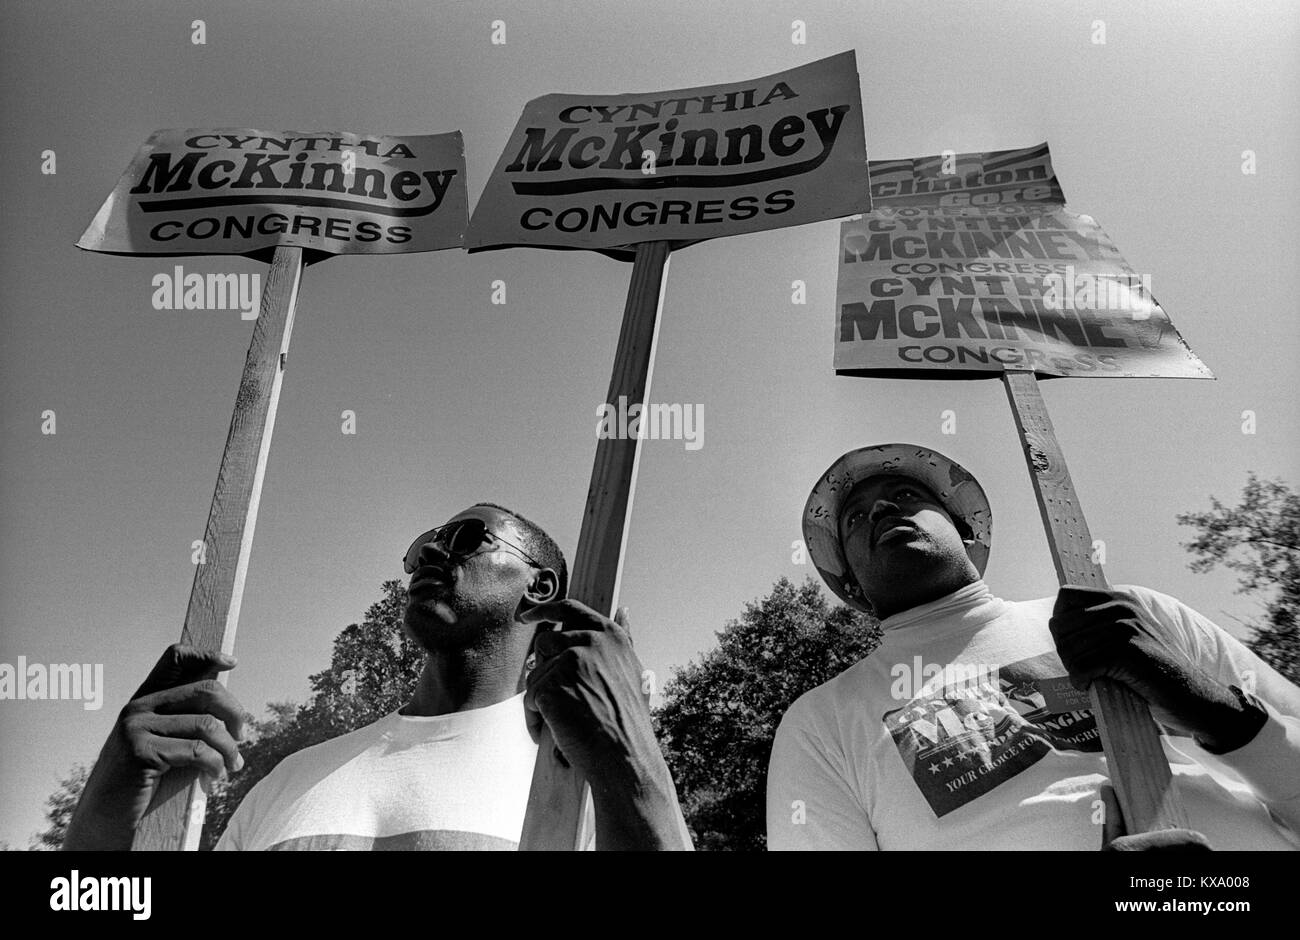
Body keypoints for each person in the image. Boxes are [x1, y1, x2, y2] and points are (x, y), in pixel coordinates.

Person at [65, 502, 691, 851]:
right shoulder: (291, 780)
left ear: (541, 588)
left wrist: (632, 756)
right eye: (421, 550)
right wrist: (103, 815)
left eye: (468, 538)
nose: (432, 554)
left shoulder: (576, 780)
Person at [767, 443, 1300, 850]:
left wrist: (1220, 712)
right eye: (855, 518)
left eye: (908, 495)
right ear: (852, 584)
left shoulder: (1131, 615)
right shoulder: (821, 722)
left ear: (964, 533)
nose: (882, 507)